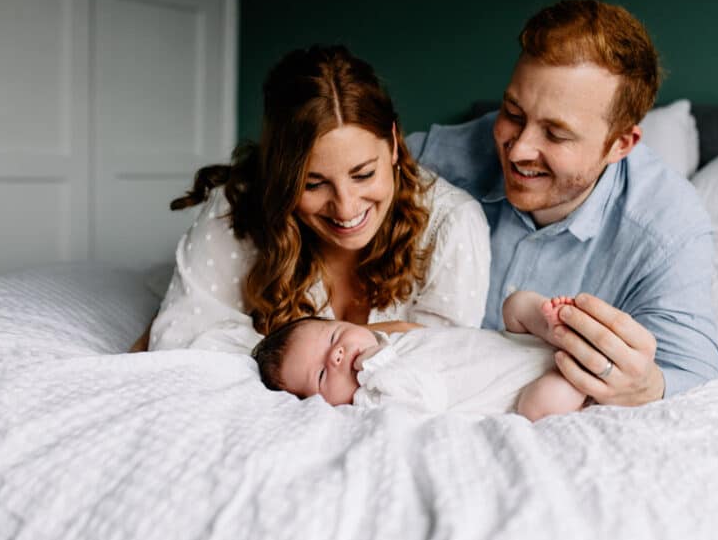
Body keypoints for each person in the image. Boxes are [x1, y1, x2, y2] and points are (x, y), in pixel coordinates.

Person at [406, 0, 718, 406]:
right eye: (513, 113)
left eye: (555, 134)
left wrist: (646, 386)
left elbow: (694, 373)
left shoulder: (668, 226)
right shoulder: (443, 158)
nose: (518, 149)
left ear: (620, 144)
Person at [134, 45, 491, 355]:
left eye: (363, 174)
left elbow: (443, 365)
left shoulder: (453, 225)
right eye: (313, 184)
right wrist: (375, 338)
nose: (347, 207)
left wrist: (286, 349)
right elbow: (177, 340)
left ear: (395, 145)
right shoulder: (240, 202)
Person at [252, 289, 589, 420]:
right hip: (525, 388)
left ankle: (555, 329)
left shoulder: (385, 338)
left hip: (520, 344)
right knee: (541, 404)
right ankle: (577, 369)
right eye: (322, 375)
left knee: (515, 304)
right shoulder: (373, 400)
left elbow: (425, 337)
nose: (337, 357)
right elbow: (428, 397)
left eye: (336, 337)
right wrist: (374, 365)